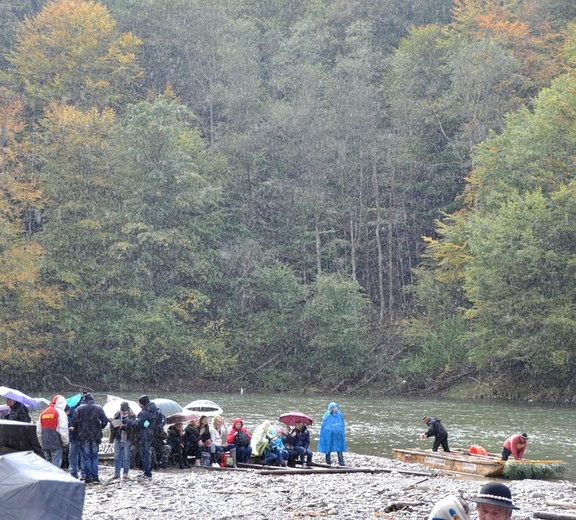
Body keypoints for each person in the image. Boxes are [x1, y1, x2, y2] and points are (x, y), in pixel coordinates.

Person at [72, 392, 109, 484]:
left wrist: (80, 428)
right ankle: (95, 476)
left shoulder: (79, 409)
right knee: (95, 456)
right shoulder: (98, 408)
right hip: (96, 436)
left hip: (84, 436)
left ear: (83, 400)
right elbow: (105, 421)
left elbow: (74, 422)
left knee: (86, 457)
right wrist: (100, 427)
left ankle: (88, 478)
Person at [129, 394, 161, 479]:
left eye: (139, 403)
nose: (138, 405)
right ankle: (147, 471)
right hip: (150, 434)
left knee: (144, 454)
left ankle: (147, 472)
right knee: (147, 453)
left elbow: (138, 424)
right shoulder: (154, 411)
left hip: (144, 435)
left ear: (142, 403)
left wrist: (128, 422)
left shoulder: (144, 412)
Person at [36, 394, 69, 468]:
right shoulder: (61, 413)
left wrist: (41, 442)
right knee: (56, 463)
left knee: (47, 463)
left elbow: (38, 430)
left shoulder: (43, 413)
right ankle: (55, 478)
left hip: (45, 441)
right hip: (56, 442)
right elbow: (63, 429)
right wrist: (65, 442)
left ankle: (47, 478)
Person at [109, 401, 136, 480]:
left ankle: (125, 473)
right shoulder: (117, 415)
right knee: (116, 456)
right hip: (118, 437)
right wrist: (114, 424)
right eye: (122, 411)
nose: (123, 413)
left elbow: (135, 428)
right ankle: (117, 473)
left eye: (125, 411)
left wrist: (125, 427)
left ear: (128, 410)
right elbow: (112, 427)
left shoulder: (133, 416)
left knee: (126, 456)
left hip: (128, 438)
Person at [318, 402, 346, 466]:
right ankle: (328, 462)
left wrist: (339, 430)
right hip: (329, 435)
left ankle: (341, 462)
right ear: (331, 408)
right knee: (328, 447)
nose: (336, 408)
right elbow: (325, 426)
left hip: (337, 435)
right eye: (334, 407)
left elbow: (342, 424)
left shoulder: (339, 415)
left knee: (339, 448)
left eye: (336, 407)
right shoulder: (327, 415)